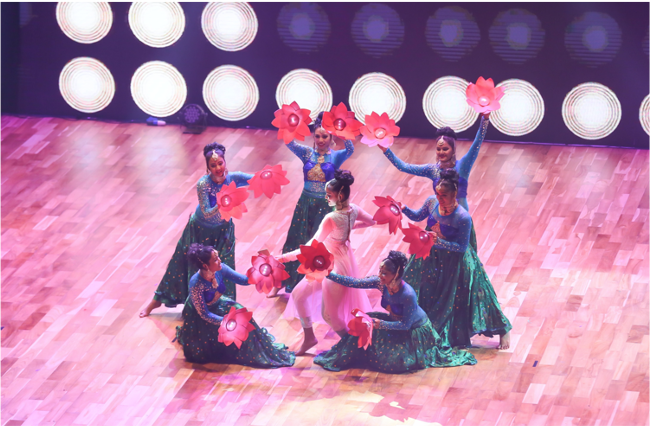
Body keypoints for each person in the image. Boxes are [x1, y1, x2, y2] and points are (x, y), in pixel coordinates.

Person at [402, 168, 512, 350]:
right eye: (437, 194)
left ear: (455, 194)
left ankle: (503, 329)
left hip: (456, 263)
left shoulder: (463, 217)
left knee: (477, 296)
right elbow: (417, 216)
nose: (439, 198)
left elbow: (461, 248)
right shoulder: (431, 203)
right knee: (422, 288)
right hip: (432, 257)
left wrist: (438, 242)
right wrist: (404, 209)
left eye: (444, 195)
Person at [314, 251, 477, 373]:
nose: (380, 276)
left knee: (390, 362)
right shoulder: (380, 283)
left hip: (413, 332)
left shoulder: (408, 294)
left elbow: (405, 325)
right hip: (393, 323)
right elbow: (355, 283)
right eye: (380, 271)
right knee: (360, 328)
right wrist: (329, 274)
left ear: (397, 274)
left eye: (384, 273)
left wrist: (381, 324)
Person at [140, 142, 252, 317]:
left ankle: (226, 309)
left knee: (224, 268)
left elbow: (255, 179)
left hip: (223, 233)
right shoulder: (203, 184)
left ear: (225, 162)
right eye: (213, 165)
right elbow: (207, 213)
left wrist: (265, 178)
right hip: (199, 230)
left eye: (220, 163)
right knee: (182, 265)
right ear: (207, 167)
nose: (218, 168)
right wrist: (223, 202)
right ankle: (158, 301)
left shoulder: (234, 179)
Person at [279, 170, 375, 355]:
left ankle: (352, 348)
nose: (326, 198)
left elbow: (309, 247)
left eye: (329, 195)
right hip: (331, 261)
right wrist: (350, 226)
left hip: (333, 266)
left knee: (330, 315)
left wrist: (283, 258)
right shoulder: (353, 210)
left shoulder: (330, 218)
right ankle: (309, 338)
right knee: (298, 294)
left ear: (339, 195)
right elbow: (372, 221)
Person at [269, 112, 355, 297]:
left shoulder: (336, 156)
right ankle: (280, 283)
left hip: (325, 207)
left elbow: (350, 149)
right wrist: (292, 126)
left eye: (325, 136)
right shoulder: (307, 153)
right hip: (305, 204)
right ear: (313, 136)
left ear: (331, 137)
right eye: (317, 136)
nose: (321, 139)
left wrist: (340, 130)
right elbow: (289, 142)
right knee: (295, 240)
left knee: (320, 246)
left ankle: (315, 287)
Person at [379, 113, 490, 249]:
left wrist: (485, 119)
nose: (441, 152)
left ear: (453, 150)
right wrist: (385, 149)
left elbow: (477, 143)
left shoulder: (463, 166)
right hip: (439, 218)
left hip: (458, 219)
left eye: (445, 149)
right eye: (438, 149)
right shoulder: (432, 170)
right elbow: (403, 167)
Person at [176, 243, 295, 367]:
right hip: (203, 317)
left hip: (219, 305)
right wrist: (227, 322)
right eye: (215, 259)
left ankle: (260, 350)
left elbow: (244, 280)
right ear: (206, 266)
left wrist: (260, 270)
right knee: (236, 328)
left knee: (245, 319)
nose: (219, 260)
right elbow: (204, 313)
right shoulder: (196, 284)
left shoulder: (222, 269)